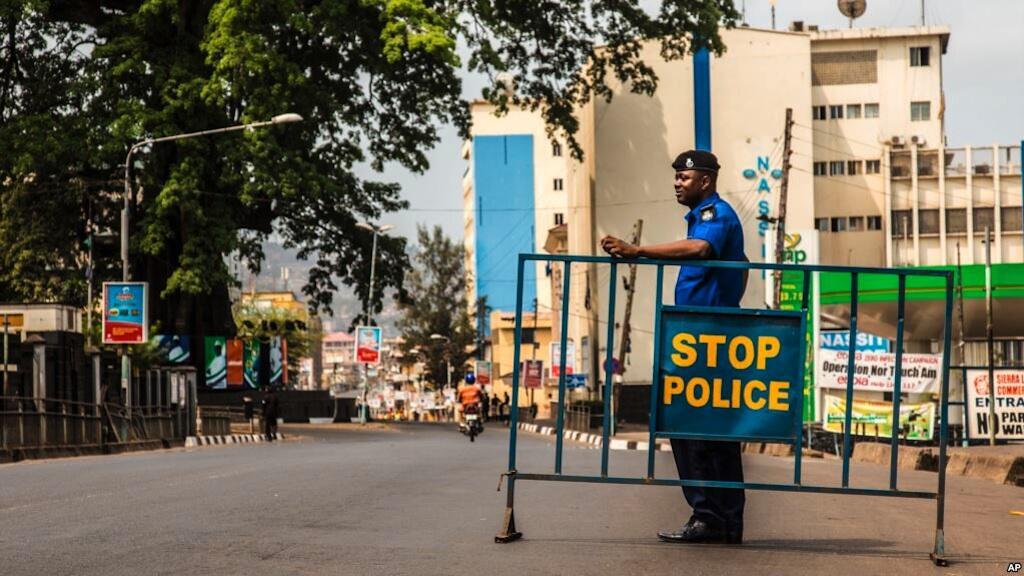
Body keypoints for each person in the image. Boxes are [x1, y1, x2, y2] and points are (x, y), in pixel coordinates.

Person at [601, 149, 747, 545]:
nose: (677, 183)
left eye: (684, 178)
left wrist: (638, 250)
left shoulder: (716, 216)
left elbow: (700, 250)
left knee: (690, 427)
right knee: (711, 432)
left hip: (707, 338)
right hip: (701, 336)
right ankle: (722, 521)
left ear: (705, 180)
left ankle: (711, 517)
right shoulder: (704, 219)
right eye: (676, 178)